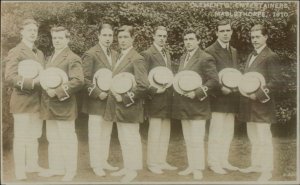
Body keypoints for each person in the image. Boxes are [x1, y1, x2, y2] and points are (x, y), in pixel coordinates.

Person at [104, 25, 149, 183]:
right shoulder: (118, 56)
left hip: (130, 106)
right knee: (124, 138)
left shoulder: (137, 58)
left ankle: (132, 170)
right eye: (120, 37)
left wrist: (124, 99)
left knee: (131, 138)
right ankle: (127, 166)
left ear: (133, 38)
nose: (122, 40)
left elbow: (143, 86)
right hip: (119, 107)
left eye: (126, 37)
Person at [172, 28, 219, 180]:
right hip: (184, 105)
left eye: (191, 39)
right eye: (186, 40)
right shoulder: (183, 57)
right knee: (188, 138)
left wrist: (197, 93)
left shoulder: (206, 57)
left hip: (198, 105)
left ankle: (198, 169)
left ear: (198, 40)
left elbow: (214, 81)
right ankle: (191, 166)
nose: (188, 42)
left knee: (197, 139)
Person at [38, 26, 84, 181]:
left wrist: (57, 92)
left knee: (67, 138)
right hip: (50, 105)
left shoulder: (73, 57)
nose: (57, 41)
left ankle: (71, 170)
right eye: (55, 38)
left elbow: (78, 81)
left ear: (67, 39)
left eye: (60, 38)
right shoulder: (50, 57)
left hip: (64, 105)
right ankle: (56, 168)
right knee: (53, 138)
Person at [238, 24, 281, 181]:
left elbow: (276, 81)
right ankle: (256, 165)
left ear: (265, 37)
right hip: (249, 104)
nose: (254, 40)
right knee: (253, 137)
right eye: (252, 37)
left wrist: (258, 94)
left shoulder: (271, 56)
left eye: (257, 36)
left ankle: (267, 170)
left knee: (264, 139)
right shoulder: (251, 55)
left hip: (262, 105)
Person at [4, 18, 45, 180]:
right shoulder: (16, 51)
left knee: (34, 134)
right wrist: (32, 83)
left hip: (37, 101)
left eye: (35, 30)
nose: (33, 33)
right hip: (22, 100)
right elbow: (9, 76)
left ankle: (32, 165)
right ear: (22, 32)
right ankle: (20, 170)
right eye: (29, 30)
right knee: (21, 136)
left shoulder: (39, 53)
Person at [81, 23, 119, 177]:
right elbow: (84, 79)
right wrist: (97, 93)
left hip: (110, 100)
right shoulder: (91, 54)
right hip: (96, 101)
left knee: (106, 132)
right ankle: (96, 164)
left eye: (110, 35)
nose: (108, 38)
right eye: (104, 35)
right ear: (98, 36)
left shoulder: (116, 54)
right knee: (96, 133)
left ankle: (103, 161)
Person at [141, 26, 177, 174]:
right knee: (155, 131)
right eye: (159, 35)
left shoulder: (166, 53)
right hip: (155, 99)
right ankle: (152, 162)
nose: (162, 38)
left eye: (164, 36)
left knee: (165, 131)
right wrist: (154, 90)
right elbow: (143, 78)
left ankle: (161, 160)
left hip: (167, 99)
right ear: (153, 37)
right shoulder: (147, 54)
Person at [205, 20, 239, 174]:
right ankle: (213, 162)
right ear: (216, 33)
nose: (225, 33)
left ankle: (224, 160)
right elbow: (210, 76)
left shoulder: (233, 50)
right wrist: (222, 89)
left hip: (231, 98)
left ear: (231, 32)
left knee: (228, 132)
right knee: (216, 132)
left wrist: (235, 87)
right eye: (222, 31)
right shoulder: (210, 51)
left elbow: (235, 74)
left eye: (228, 30)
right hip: (218, 98)